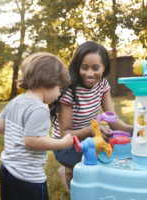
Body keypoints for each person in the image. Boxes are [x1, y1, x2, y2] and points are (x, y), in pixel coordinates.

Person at [50, 41, 133, 192]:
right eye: (84, 67)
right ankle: (69, 179)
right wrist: (90, 130)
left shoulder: (102, 85)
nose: (89, 73)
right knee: (77, 169)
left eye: (95, 68)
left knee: (118, 154)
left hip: (91, 137)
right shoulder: (69, 90)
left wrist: (133, 130)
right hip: (66, 142)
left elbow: (113, 121)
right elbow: (65, 134)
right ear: (78, 67)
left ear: (104, 67)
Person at [0, 52, 74, 200]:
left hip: (7, 170)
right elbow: (32, 141)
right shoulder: (40, 108)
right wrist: (62, 143)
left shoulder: (17, 100)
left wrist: (19, 135)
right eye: (59, 88)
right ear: (48, 82)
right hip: (27, 177)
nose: (59, 94)